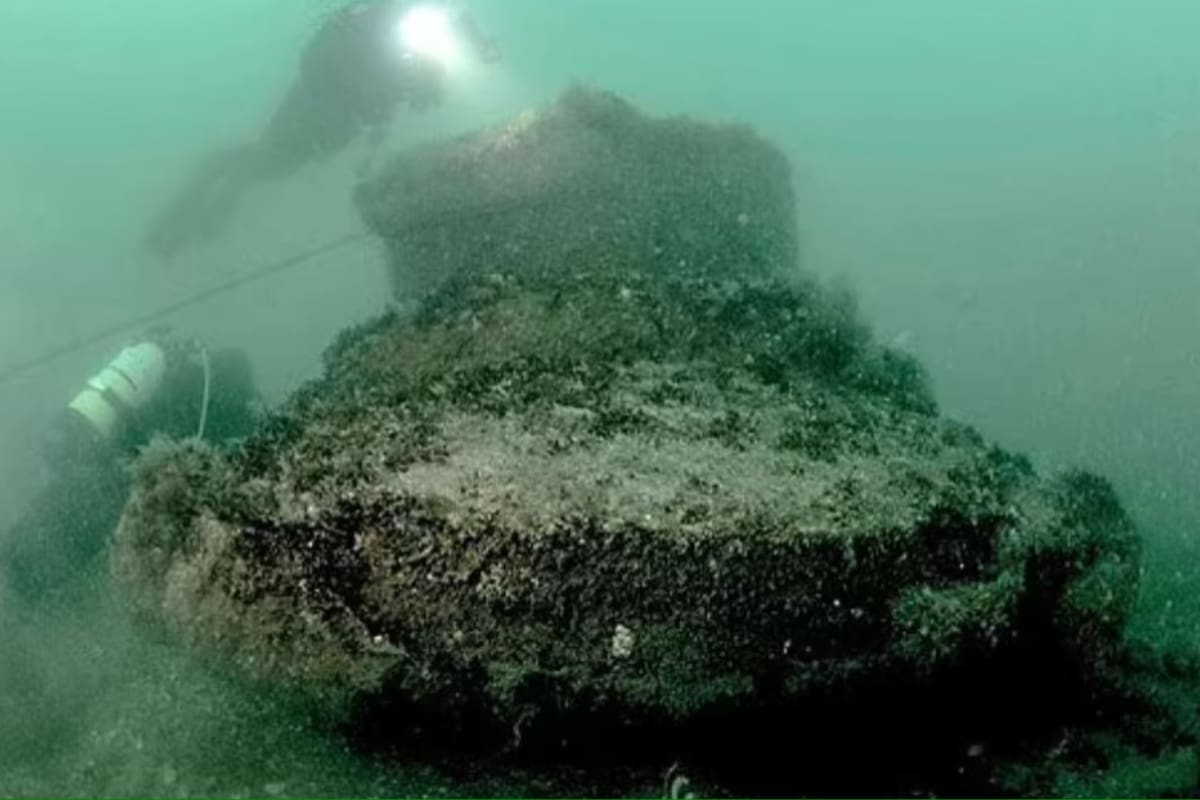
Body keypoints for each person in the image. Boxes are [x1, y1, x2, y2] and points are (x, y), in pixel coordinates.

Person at [144, 1, 500, 261]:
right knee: (265, 158)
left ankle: (210, 206)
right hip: (317, 110)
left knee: (270, 165)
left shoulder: (406, 35)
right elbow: (368, 73)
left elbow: (404, 90)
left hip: (328, 120)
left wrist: (464, 52)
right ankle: (178, 224)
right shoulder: (389, 21)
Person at [0, 329, 261, 608]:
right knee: (81, 527)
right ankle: (29, 583)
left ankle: (19, 570)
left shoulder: (179, 379)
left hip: (103, 458)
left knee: (64, 512)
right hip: (128, 479)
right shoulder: (223, 403)